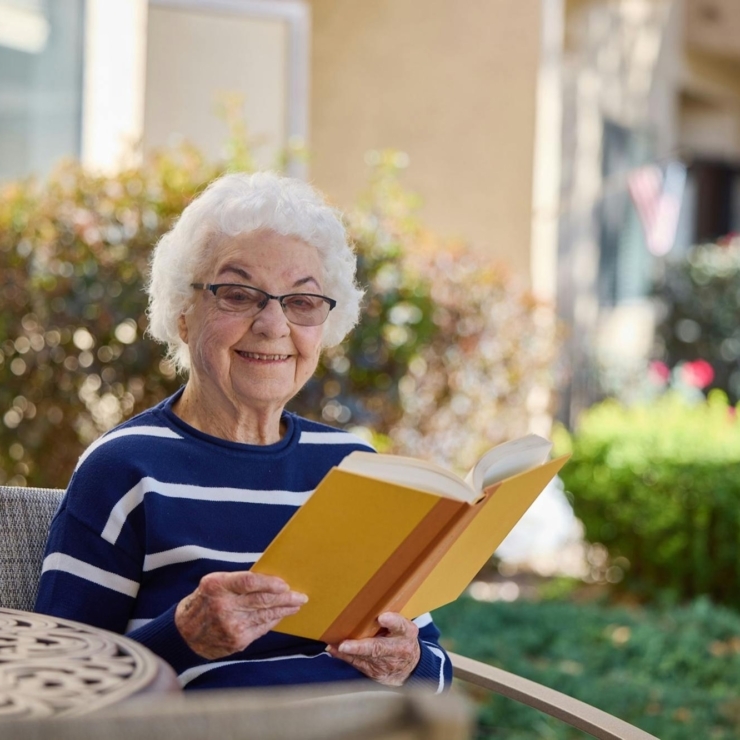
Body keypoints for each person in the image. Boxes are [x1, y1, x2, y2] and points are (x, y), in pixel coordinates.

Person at [35, 172, 452, 693]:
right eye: (238, 294)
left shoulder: (356, 464)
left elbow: (436, 673)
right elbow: (58, 686)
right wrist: (183, 636)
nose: (274, 325)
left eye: (301, 301)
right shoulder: (124, 467)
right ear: (184, 314)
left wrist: (407, 660)